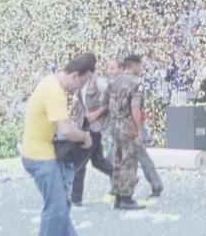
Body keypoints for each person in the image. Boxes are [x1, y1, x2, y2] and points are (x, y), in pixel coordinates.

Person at [21, 54, 96, 236]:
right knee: (57, 209)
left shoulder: (50, 82)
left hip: (37, 152)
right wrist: (85, 137)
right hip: (40, 157)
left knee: (61, 207)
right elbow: (66, 130)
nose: (80, 88)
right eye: (82, 83)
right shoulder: (55, 92)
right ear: (75, 76)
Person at [106, 54, 146, 211]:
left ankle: (117, 195)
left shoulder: (114, 81)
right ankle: (127, 197)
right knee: (129, 161)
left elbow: (109, 104)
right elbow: (135, 108)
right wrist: (139, 130)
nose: (141, 69)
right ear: (134, 65)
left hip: (115, 124)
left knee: (117, 160)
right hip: (128, 124)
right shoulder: (136, 83)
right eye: (140, 65)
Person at [69, 69, 112, 206]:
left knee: (80, 163)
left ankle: (76, 198)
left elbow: (112, 100)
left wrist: (97, 113)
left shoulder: (99, 82)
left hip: (94, 127)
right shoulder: (80, 84)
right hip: (83, 124)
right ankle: (123, 177)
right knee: (98, 161)